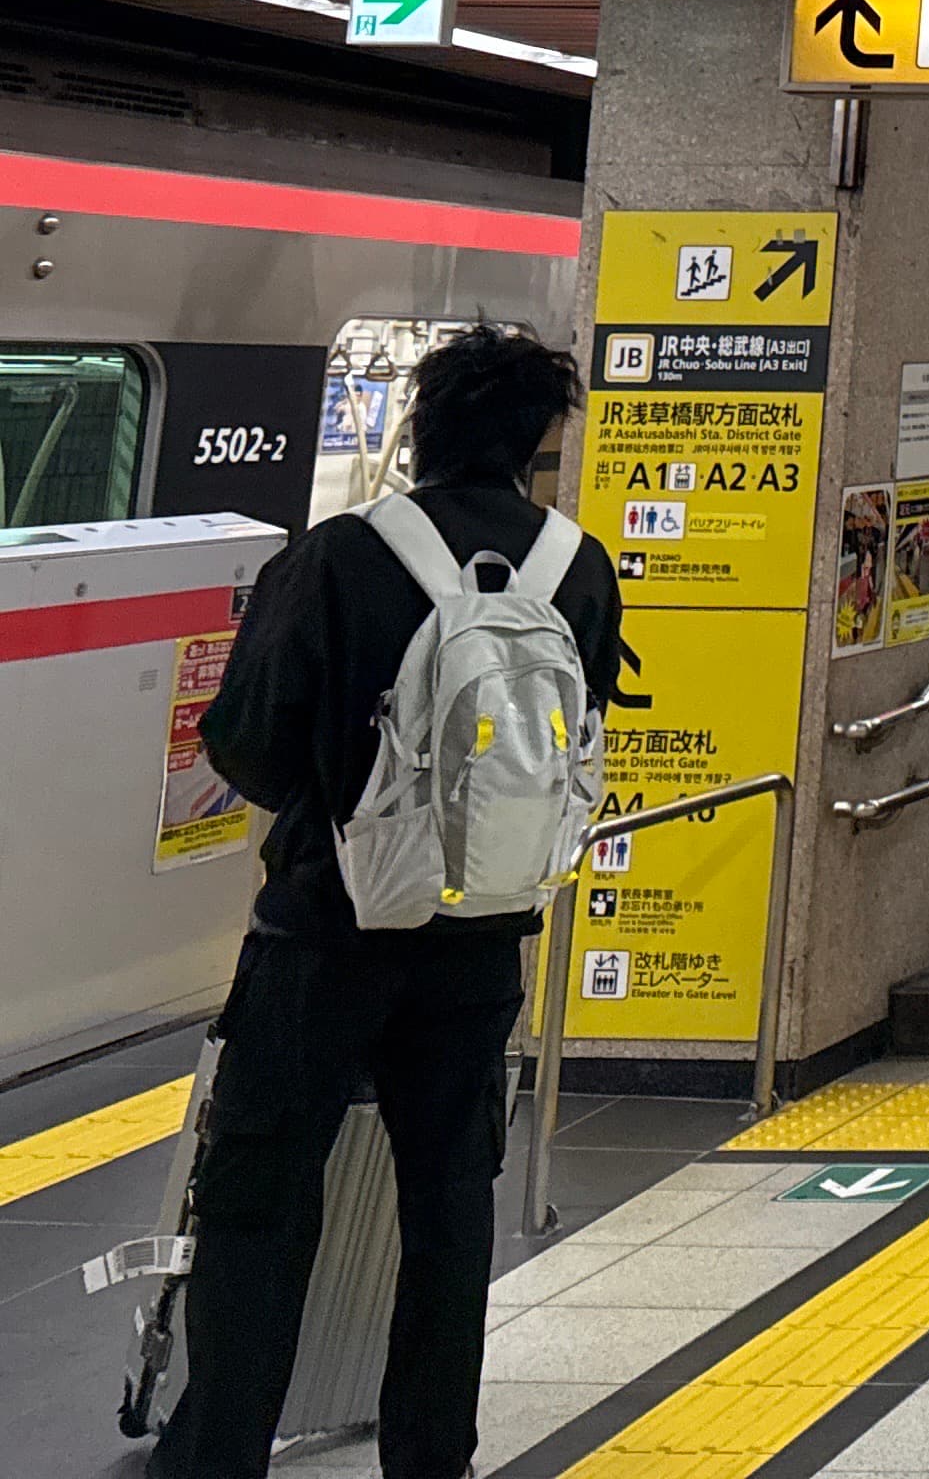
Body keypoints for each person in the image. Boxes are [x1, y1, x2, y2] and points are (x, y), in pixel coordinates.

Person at [161, 325, 618, 1479]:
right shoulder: (579, 568)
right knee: (450, 1201)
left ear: (421, 428)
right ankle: (429, 1457)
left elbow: (253, 753)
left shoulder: (336, 559)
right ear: (540, 440)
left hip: (326, 932)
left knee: (262, 1197)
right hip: (479, 937)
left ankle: (218, 1453)